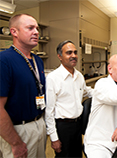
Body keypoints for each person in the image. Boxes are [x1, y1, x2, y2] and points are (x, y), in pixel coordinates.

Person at [0, 14, 46, 158]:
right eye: (30, 28)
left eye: (37, 28)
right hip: (18, 130)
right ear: (14, 32)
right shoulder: (4, 60)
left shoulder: (37, 60)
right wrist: (15, 142)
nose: (36, 32)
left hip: (39, 124)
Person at [45, 40, 93, 157]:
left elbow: (88, 91)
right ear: (59, 56)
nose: (74, 56)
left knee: (77, 155)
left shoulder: (79, 75)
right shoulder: (53, 78)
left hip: (77, 125)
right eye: (69, 53)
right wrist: (54, 138)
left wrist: (107, 92)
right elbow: (49, 112)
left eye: (75, 52)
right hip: (63, 127)